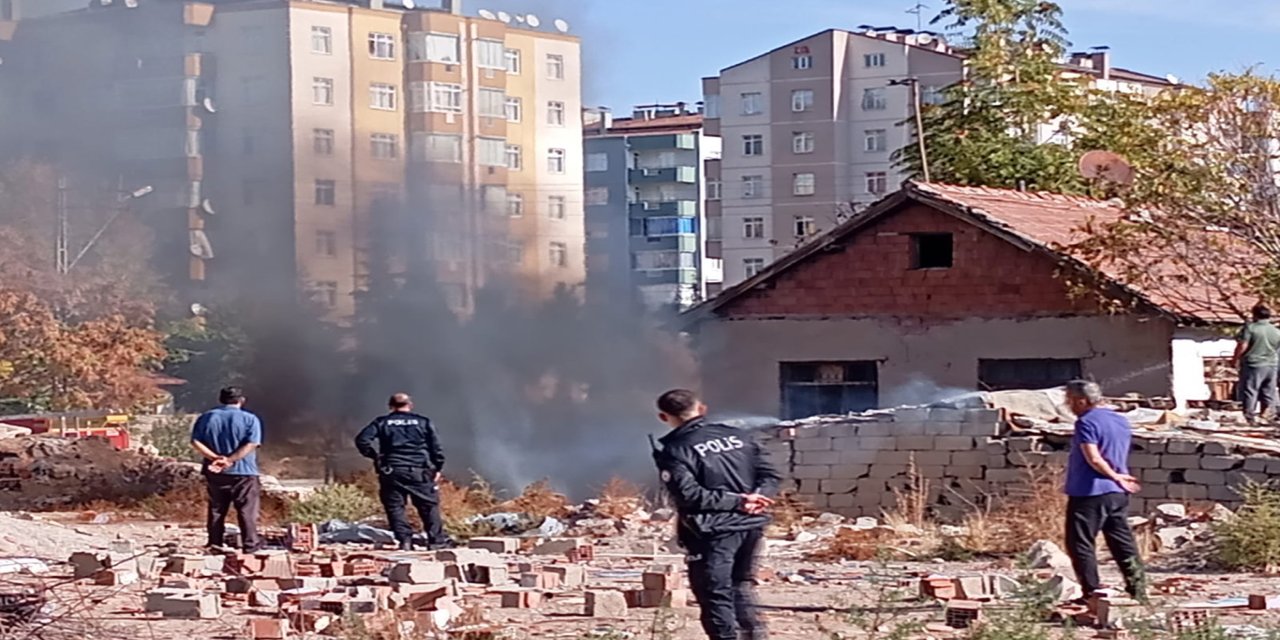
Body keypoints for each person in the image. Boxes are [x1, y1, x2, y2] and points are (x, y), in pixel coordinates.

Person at [651, 389, 781, 640]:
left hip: (713, 530)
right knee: (740, 587)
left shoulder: (676, 450)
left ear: (663, 417)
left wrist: (739, 502)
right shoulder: (739, 436)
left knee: (714, 594)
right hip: (751, 525)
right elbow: (770, 475)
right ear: (702, 409)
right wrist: (755, 500)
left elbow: (689, 495)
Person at [1062, 380, 1144, 602]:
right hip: (1117, 492)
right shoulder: (1120, 420)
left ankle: (1091, 592)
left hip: (1090, 490)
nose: (1067, 405)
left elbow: (1094, 458)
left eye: (1069, 400)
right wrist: (1119, 478)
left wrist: (1113, 475)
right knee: (1122, 541)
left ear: (1082, 400)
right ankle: (1138, 590)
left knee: (1080, 543)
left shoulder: (1086, 422)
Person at [354, 393, 453, 551]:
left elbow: (362, 440)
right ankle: (436, 542)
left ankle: (405, 541)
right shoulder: (423, 422)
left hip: (392, 471)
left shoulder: (382, 422)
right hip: (419, 471)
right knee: (428, 506)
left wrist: (375, 457)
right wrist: (437, 467)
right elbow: (436, 448)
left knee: (395, 507)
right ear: (410, 405)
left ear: (390, 406)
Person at [190, 386, 263, 552]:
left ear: (221, 400)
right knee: (247, 511)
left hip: (215, 472)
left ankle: (215, 544)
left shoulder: (206, 418)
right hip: (244, 472)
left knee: (216, 509)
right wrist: (230, 460)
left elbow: (196, 442)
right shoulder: (250, 419)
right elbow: (251, 444)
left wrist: (215, 459)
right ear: (241, 400)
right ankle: (250, 546)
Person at [1233, 304, 1280, 424]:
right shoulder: (1275, 331)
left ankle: (1250, 416)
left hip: (1254, 363)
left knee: (1251, 390)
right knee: (1269, 390)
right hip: (1271, 364)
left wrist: (1235, 359)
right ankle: (1268, 415)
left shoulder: (1251, 328)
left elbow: (1243, 345)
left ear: (1255, 315)